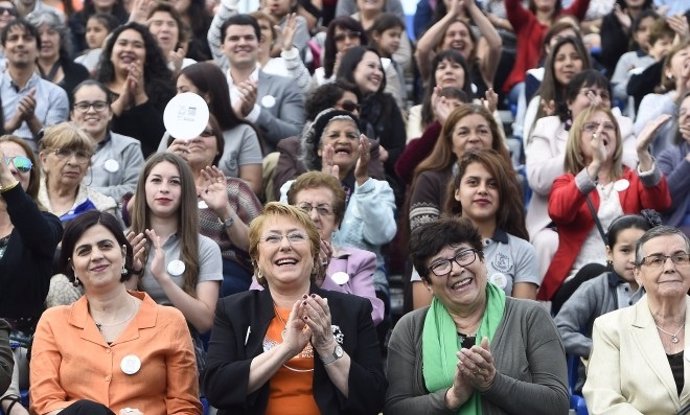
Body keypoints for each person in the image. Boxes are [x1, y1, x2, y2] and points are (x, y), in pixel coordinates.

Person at [204, 202, 387, 414]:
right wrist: (286, 349)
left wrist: (328, 345)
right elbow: (217, 389)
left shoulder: (354, 310)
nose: (285, 245)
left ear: (315, 255)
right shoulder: (234, 310)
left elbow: (373, 397)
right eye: (272, 238)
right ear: (257, 260)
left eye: (296, 236)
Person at [385, 217, 569, 414]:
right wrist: (452, 397)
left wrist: (492, 382)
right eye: (440, 264)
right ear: (427, 284)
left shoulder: (531, 317)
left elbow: (557, 404)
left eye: (463, 255)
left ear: (482, 259)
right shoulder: (409, 329)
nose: (456, 269)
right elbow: (396, 408)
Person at [30, 210, 202, 415]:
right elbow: (44, 404)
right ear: (73, 267)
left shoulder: (169, 321)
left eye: (105, 246)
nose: (96, 256)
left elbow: (185, 407)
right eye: (84, 251)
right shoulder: (53, 322)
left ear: (123, 254)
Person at [539, 105, 673, 301]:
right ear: (577, 138)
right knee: (596, 272)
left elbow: (660, 202)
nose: (600, 131)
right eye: (591, 126)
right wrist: (595, 164)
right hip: (578, 280)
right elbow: (560, 211)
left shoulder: (632, 179)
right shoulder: (566, 182)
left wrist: (643, 154)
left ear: (617, 137)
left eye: (608, 126)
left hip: (630, 278)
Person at [526, 69, 639, 280]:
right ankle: (540, 308)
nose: (597, 100)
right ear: (570, 102)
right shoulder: (549, 126)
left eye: (604, 95)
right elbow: (537, 179)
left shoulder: (620, 125)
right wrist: (579, 147)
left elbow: (632, 165)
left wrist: (603, 138)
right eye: (588, 94)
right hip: (557, 225)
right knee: (546, 242)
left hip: (611, 220)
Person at [279, 108, 396, 309]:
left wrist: (363, 182)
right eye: (334, 135)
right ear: (318, 149)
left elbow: (382, 235)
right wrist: (325, 187)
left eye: (351, 136)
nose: (343, 140)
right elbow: (283, 231)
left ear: (361, 149)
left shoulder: (376, 188)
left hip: (363, 283)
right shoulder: (293, 189)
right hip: (302, 278)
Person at [252, 171, 384, 325]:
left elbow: (373, 314)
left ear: (336, 222)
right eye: (304, 208)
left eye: (323, 209)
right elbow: (254, 307)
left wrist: (322, 282)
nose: (314, 216)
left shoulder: (358, 260)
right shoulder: (276, 255)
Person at [583, 226, 690, 414]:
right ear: (638, 274)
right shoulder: (610, 328)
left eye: (679, 258)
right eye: (657, 260)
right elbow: (605, 402)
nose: (670, 267)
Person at [412, 150, 538, 308]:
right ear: (457, 193)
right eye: (473, 182)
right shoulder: (429, 247)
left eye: (492, 184)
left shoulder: (523, 251)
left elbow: (524, 322)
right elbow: (423, 321)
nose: (483, 190)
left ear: (502, 195)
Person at [164, 115, 263, 297]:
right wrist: (165, 164)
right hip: (168, 265)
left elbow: (260, 243)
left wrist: (224, 209)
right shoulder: (162, 189)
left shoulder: (235, 188)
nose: (196, 138)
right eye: (189, 133)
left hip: (225, 272)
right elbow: (133, 213)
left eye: (206, 133)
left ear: (219, 147)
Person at [127, 153, 223, 336]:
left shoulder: (206, 247)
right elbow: (113, 312)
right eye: (156, 180)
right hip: (131, 339)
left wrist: (163, 278)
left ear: (185, 191)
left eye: (174, 182)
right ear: (143, 188)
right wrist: (132, 273)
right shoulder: (124, 241)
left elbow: (204, 321)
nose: (164, 189)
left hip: (181, 341)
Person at [0, 135, 62, 415]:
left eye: (22, 163)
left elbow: (38, 234)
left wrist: (8, 185)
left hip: (21, 347)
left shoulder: (47, 223)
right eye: (3, 162)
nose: (12, 169)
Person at [158, 62, 263, 195]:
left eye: (184, 91)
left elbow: (253, 185)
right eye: (177, 91)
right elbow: (153, 179)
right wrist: (168, 161)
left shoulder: (244, 132)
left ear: (207, 97)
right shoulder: (172, 134)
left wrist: (213, 189)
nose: (177, 98)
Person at [408, 104, 510, 232]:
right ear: (450, 143)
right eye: (463, 132)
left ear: (493, 140)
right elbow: (422, 241)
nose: (473, 138)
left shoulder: (507, 180)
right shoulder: (429, 181)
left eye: (482, 131)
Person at [215, 14, 305, 152]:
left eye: (249, 38)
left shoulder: (284, 86)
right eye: (234, 38)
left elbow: (296, 136)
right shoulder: (211, 87)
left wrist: (254, 112)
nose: (242, 43)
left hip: (268, 168)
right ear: (222, 47)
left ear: (259, 44)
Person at [96, 22, 176, 158]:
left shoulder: (164, 90)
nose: (128, 49)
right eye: (122, 43)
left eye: (137, 45)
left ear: (147, 56)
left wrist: (140, 96)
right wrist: (122, 101)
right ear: (110, 53)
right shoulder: (96, 90)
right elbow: (94, 132)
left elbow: (162, 138)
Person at [336, 46, 406, 187]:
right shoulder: (334, 98)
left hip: (381, 178)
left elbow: (400, 149)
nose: (378, 73)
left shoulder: (388, 103)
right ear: (352, 67)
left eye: (380, 69)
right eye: (371, 66)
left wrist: (386, 155)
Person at [0, 19, 69, 150]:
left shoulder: (55, 94)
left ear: (38, 50)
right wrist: (11, 126)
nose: (20, 43)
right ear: (3, 49)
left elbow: (57, 146)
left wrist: (31, 119)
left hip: (37, 165)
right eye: (14, 38)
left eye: (27, 38)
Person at [71, 80, 145, 201]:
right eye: (83, 106)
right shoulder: (59, 150)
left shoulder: (129, 147)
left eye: (99, 105)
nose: (91, 111)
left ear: (110, 112)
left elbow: (135, 189)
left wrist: (82, 194)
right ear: (72, 115)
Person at [415, 0, 502, 97]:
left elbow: (496, 45)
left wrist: (471, 5)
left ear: (473, 44)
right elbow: (422, 49)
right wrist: (452, 13)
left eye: (463, 34)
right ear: (440, 45)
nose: (458, 38)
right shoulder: (435, 68)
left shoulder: (482, 70)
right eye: (451, 34)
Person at [37, 122, 119, 223]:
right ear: (44, 160)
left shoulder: (102, 207)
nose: (74, 162)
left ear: (89, 164)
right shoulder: (26, 199)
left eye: (81, 155)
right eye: (63, 152)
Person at [634, 40, 690, 157]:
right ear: (668, 71)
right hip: (663, 171)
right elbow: (640, 135)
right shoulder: (653, 100)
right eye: (684, 54)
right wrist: (678, 95)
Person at [26, 9, 90, 101]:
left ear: (61, 37)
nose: (45, 39)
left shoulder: (79, 72)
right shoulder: (21, 72)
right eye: (39, 34)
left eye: (51, 33)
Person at [659, 92, 690, 235]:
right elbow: (663, 200)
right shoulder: (668, 156)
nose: (687, 116)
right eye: (683, 112)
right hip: (676, 239)